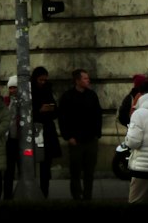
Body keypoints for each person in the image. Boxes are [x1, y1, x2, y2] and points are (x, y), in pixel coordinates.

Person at [57, 68, 103, 202]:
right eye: (85, 78)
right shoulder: (67, 97)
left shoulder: (92, 95)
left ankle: (88, 196)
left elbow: (98, 115)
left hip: (90, 139)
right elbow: (63, 118)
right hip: (75, 140)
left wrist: (97, 134)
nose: (88, 80)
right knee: (75, 171)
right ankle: (76, 196)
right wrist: (68, 136)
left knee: (89, 171)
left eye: (88, 78)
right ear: (77, 80)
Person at [31, 67, 61, 198]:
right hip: (34, 130)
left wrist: (50, 109)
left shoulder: (48, 90)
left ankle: (44, 192)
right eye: (40, 80)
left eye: (45, 80)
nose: (43, 82)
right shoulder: (30, 91)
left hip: (47, 130)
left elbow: (56, 111)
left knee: (46, 164)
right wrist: (39, 111)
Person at [125, 81, 148, 202]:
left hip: (143, 168)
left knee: (136, 203)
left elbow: (133, 142)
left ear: (141, 95)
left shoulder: (139, 114)